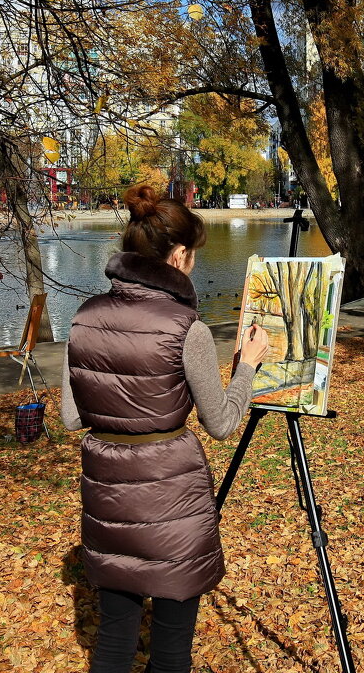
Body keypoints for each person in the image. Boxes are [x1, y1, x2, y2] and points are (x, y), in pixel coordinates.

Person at [60, 184, 271, 673]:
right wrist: (247, 367)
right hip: (172, 501)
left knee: (114, 639)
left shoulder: (84, 318)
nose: (193, 263)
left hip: (108, 496)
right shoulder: (186, 328)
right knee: (172, 647)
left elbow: (73, 417)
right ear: (177, 257)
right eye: (192, 255)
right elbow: (220, 422)